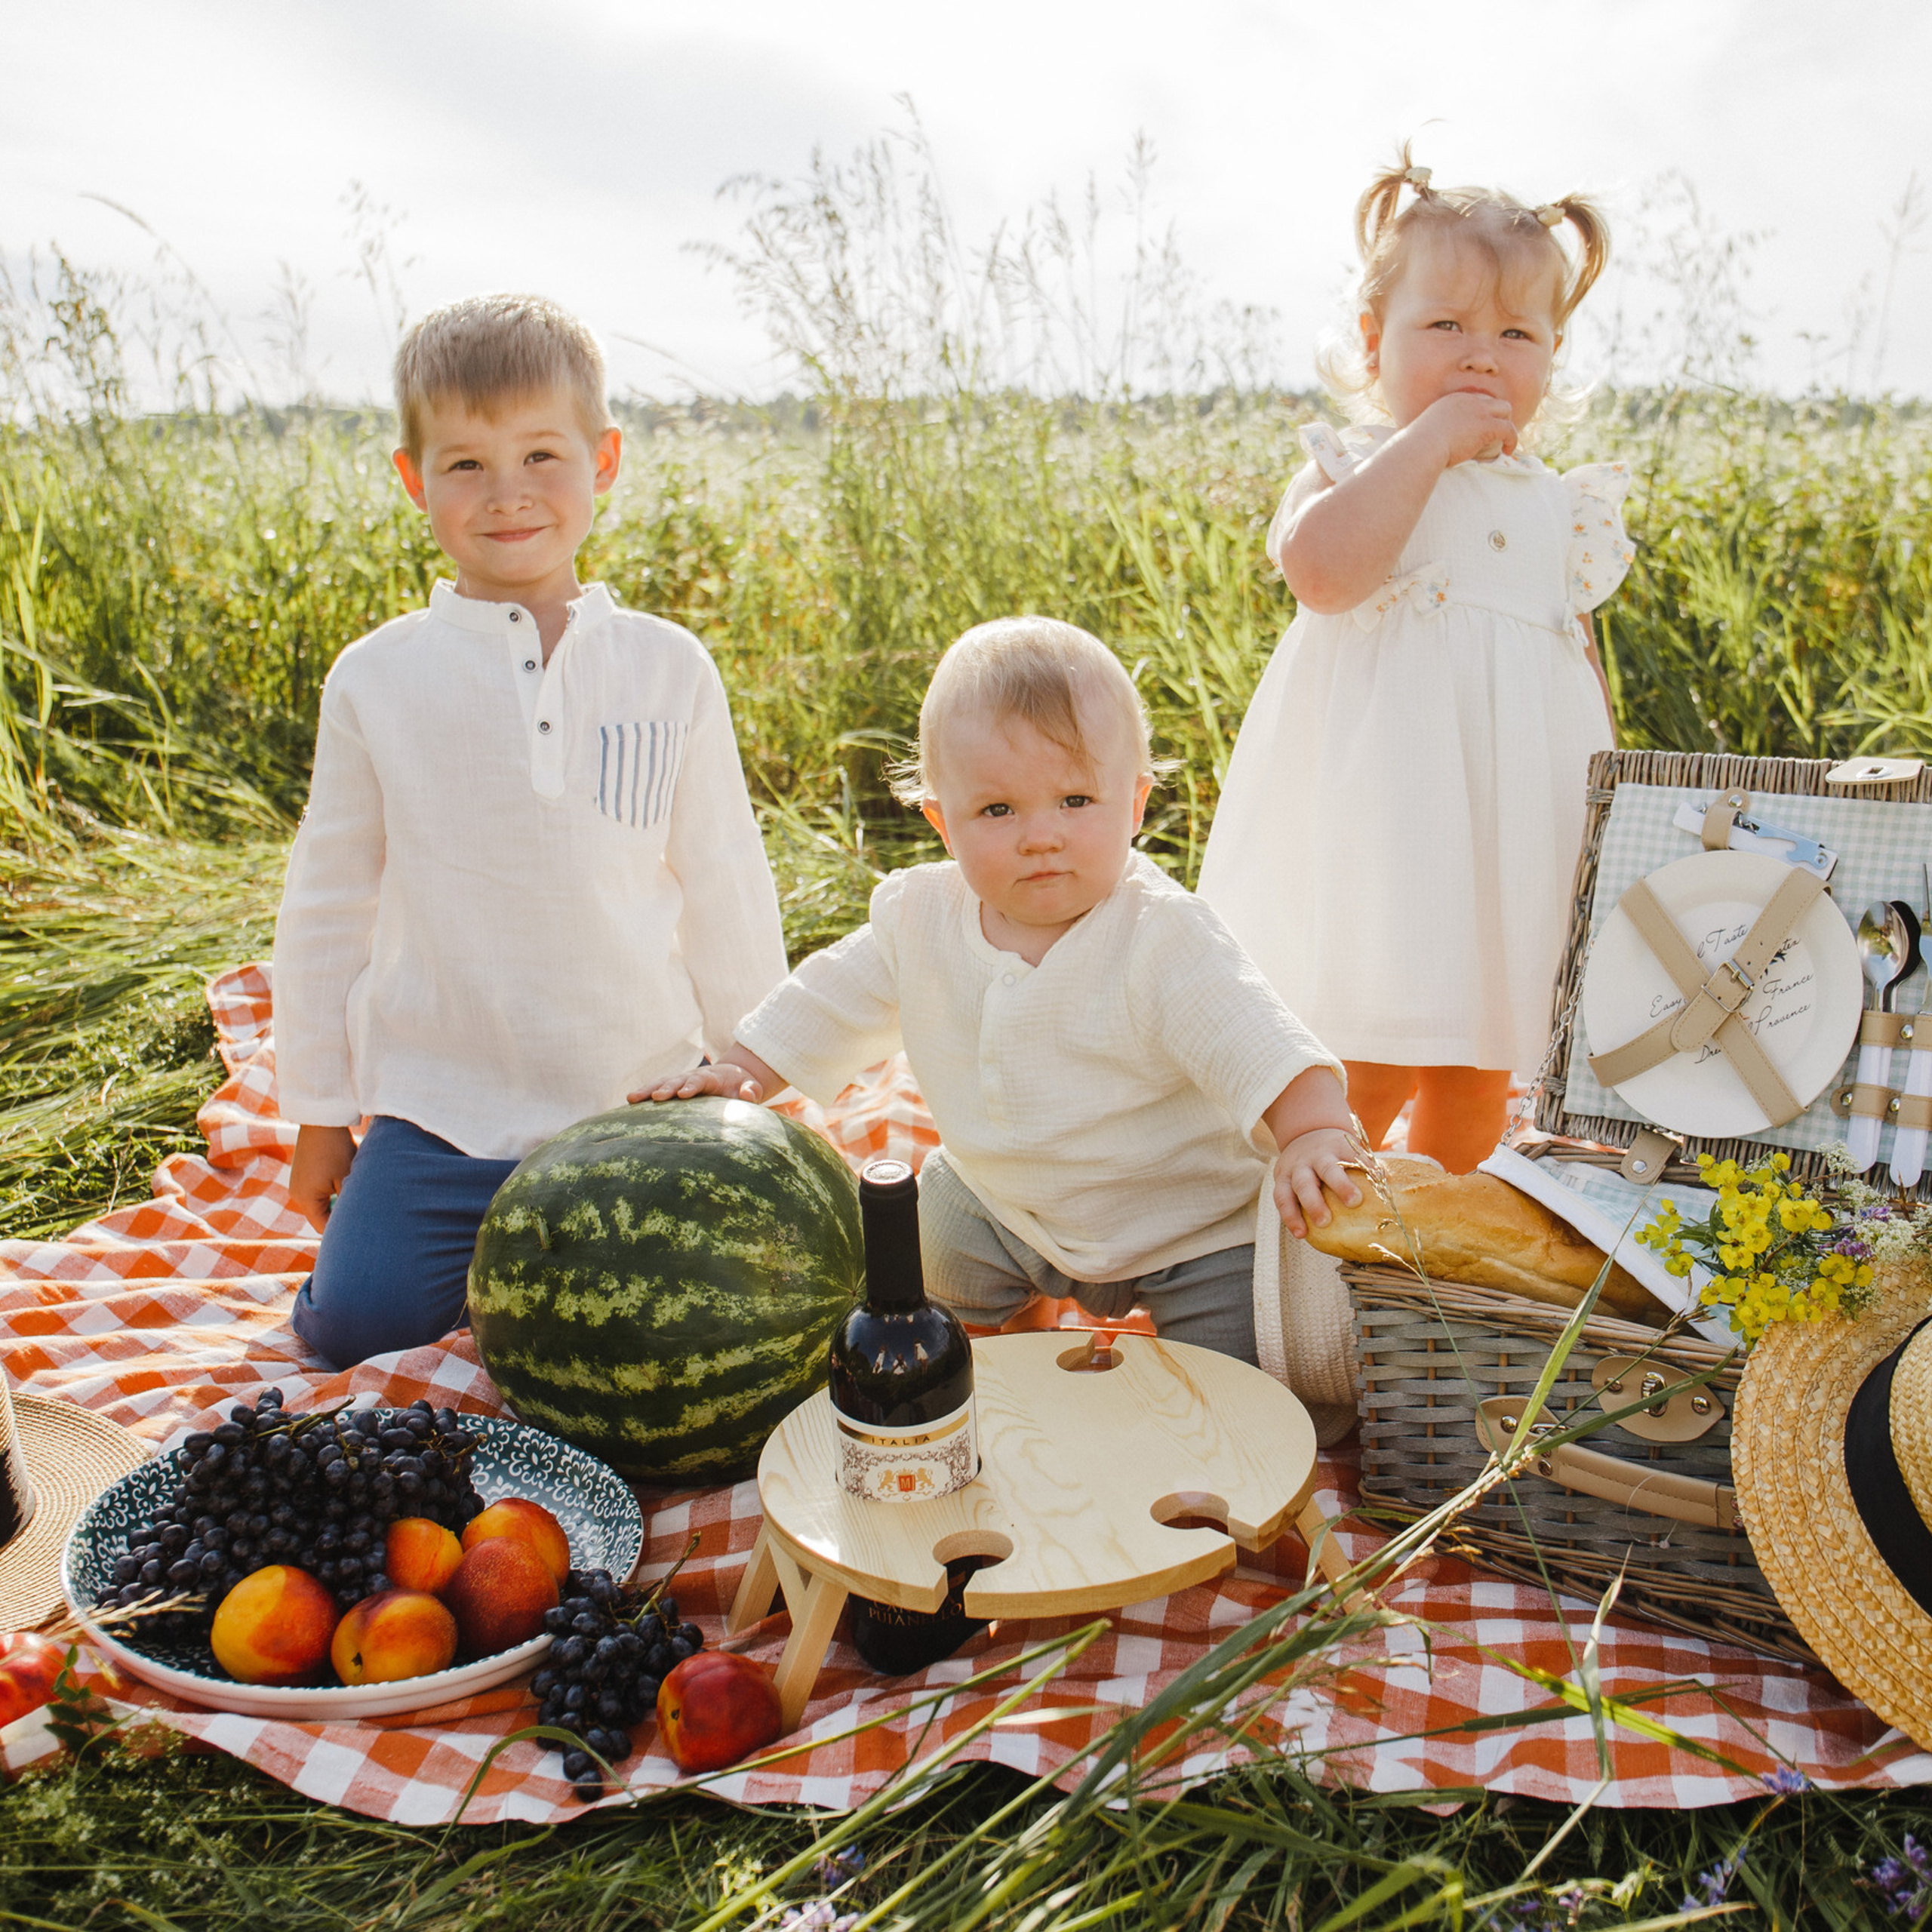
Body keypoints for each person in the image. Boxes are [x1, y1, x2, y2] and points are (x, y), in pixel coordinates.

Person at [274, 294, 787, 1368]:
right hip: (442, 1113)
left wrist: (754, 1067)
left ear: (603, 461)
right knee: (351, 1329)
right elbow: (327, 902)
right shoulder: (377, 680)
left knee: (692, 1331)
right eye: (465, 464)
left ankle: (535, 1281)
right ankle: (484, 1263)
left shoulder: (667, 667)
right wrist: (321, 1110)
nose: (507, 493)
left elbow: (723, 879)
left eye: (541, 455)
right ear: (414, 479)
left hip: (639, 1099)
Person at [636, 617, 1359, 1367]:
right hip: (1003, 1203)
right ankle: (990, 1364)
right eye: (997, 810)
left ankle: (1213, 1376)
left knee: (1241, 1366)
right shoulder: (919, 919)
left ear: (1136, 804)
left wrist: (1311, 1130)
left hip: (1188, 1227)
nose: (1040, 835)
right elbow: (824, 1002)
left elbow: (1258, 1040)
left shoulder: (1162, 936)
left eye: (1075, 800)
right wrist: (746, 1068)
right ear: (942, 823)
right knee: (927, 1274)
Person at [1196, 151, 1631, 1174]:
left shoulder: (1560, 506)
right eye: (1445, 326)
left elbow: (1573, 655)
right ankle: (1310, 1228)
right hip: (1387, 826)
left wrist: (1610, 802)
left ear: (1551, 359)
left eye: (1516, 335)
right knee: (1367, 1048)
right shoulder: (1356, 466)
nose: (1481, 357)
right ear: (1372, 342)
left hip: (1510, 829)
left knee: (1481, 1066)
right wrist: (1428, 444)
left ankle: (1431, 1237)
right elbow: (1323, 575)